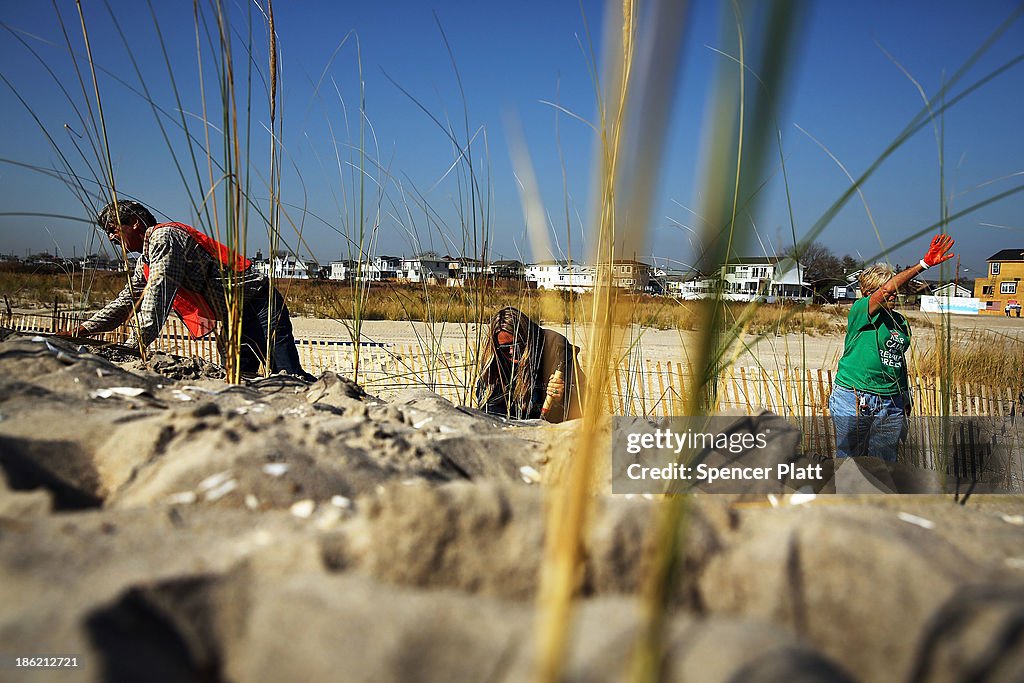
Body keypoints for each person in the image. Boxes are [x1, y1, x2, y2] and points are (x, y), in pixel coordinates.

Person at [63, 199, 314, 381]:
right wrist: (84, 329)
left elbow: (156, 301)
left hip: (258, 306)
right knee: (240, 378)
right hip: (230, 316)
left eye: (113, 229)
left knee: (289, 376)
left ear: (135, 224)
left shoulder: (165, 239)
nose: (111, 237)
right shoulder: (145, 260)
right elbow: (127, 301)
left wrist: (131, 347)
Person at [829, 234, 955, 461]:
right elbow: (886, 291)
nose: (894, 293)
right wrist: (924, 264)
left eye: (896, 288)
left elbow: (897, 360)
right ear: (870, 293)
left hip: (891, 401)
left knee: (884, 465)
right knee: (850, 462)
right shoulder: (860, 311)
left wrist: (904, 397)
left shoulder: (900, 322)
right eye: (888, 288)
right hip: (856, 398)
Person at [474, 306, 586, 422]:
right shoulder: (493, 355)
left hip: (551, 428)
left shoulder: (556, 346)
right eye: (505, 348)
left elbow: (586, 398)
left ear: (528, 337)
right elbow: (487, 404)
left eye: (518, 345)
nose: (512, 352)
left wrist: (564, 395)